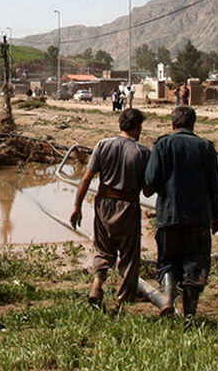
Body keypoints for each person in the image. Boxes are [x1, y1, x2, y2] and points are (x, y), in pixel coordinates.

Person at [143, 105, 218, 317]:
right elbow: (215, 185)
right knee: (195, 264)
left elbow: (149, 183)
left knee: (168, 260)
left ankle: (167, 297)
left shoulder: (162, 145)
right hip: (199, 218)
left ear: (173, 124)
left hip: (169, 216)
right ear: (193, 124)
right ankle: (190, 315)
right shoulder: (206, 148)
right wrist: (217, 216)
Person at [69, 107, 151, 309]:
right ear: (138, 127)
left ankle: (97, 283)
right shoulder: (142, 152)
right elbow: (148, 191)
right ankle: (121, 302)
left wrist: (77, 207)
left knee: (103, 248)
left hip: (103, 203)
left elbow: (87, 178)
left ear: (120, 125)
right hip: (128, 205)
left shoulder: (103, 145)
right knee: (129, 255)